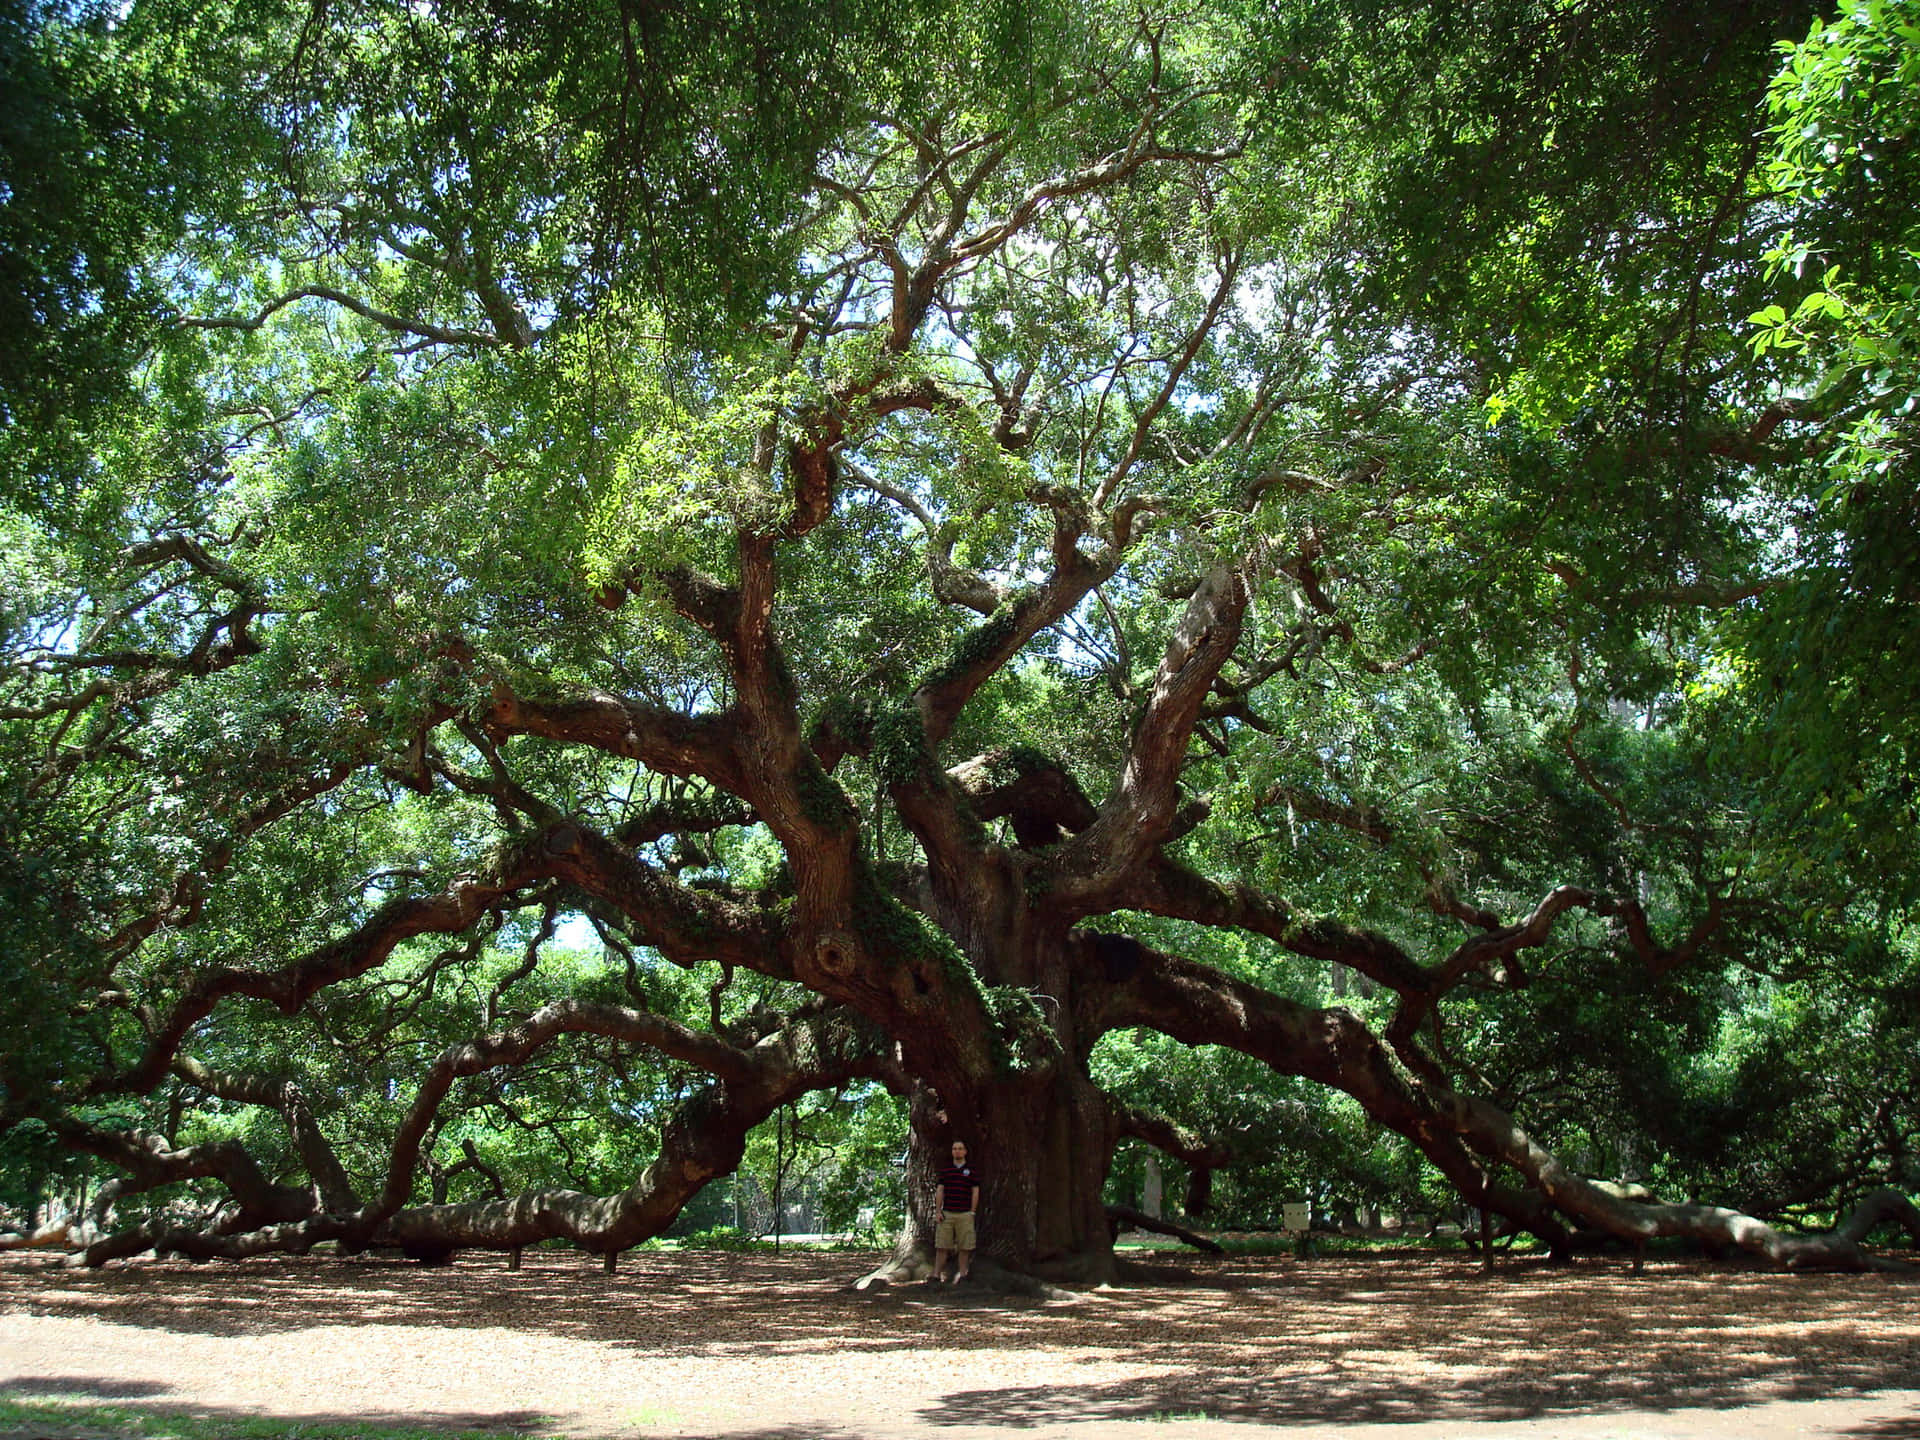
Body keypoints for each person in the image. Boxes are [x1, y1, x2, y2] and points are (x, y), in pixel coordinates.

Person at [931, 1138, 980, 1282]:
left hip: (965, 1213)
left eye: (960, 1148)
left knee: (965, 1246)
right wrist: (938, 1211)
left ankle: (963, 1274)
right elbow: (940, 1190)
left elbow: (975, 1191)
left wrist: (972, 1211)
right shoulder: (946, 1170)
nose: (957, 1151)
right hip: (947, 1213)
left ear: (965, 1151)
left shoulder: (971, 1171)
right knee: (942, 1245)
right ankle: (936, 1275)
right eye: (954, 1149)